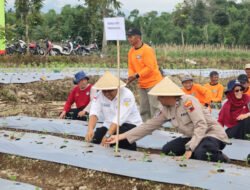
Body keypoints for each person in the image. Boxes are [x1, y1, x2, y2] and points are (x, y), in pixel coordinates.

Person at [107, 77, 230, 162]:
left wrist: (190, 148)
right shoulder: (166, 109)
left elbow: (201, 125)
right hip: (192, 136)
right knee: (168, 150)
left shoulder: (188, 102)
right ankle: (195, 152)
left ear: (168, 96)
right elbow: (148, 126)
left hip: (211, 134)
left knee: (202, 153)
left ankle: (222, 158)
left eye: (160, 97)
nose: (158, 99)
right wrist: (120, 136)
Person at [85, 71, 142, 151]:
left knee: (119, 136)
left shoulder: (127, 95)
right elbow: (94, 112)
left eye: (110, 90)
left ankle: (131, 151)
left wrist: (107, 135)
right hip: (109, 124)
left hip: (130, 124)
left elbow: (119, 119)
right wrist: (90, 129)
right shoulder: (99, 95)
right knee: (96, 138)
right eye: (104, 91)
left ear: (117, 87)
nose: (107, 93)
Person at [127, 28, 163, 122]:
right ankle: (146, 128)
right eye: (128, 37)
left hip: (153, 83)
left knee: (155, 107)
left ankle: (157, 128)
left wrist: (136, 75)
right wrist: (131, 76)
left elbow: (149, 67)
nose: (129, 39)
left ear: (138, 37)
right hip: (142, 84)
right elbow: (131, 66)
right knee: (144, 108)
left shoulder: (147, 50)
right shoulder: (131, 51)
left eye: (131, 36)